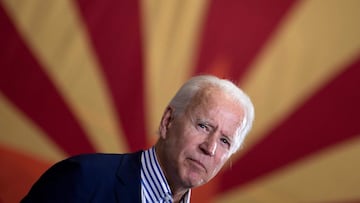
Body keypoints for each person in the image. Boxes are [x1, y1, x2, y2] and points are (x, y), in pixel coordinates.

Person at [21, 75, 255, 203]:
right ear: (168, 121)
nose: (210, 147)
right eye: (203, 126)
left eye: (225, 141)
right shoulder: (83, 179)